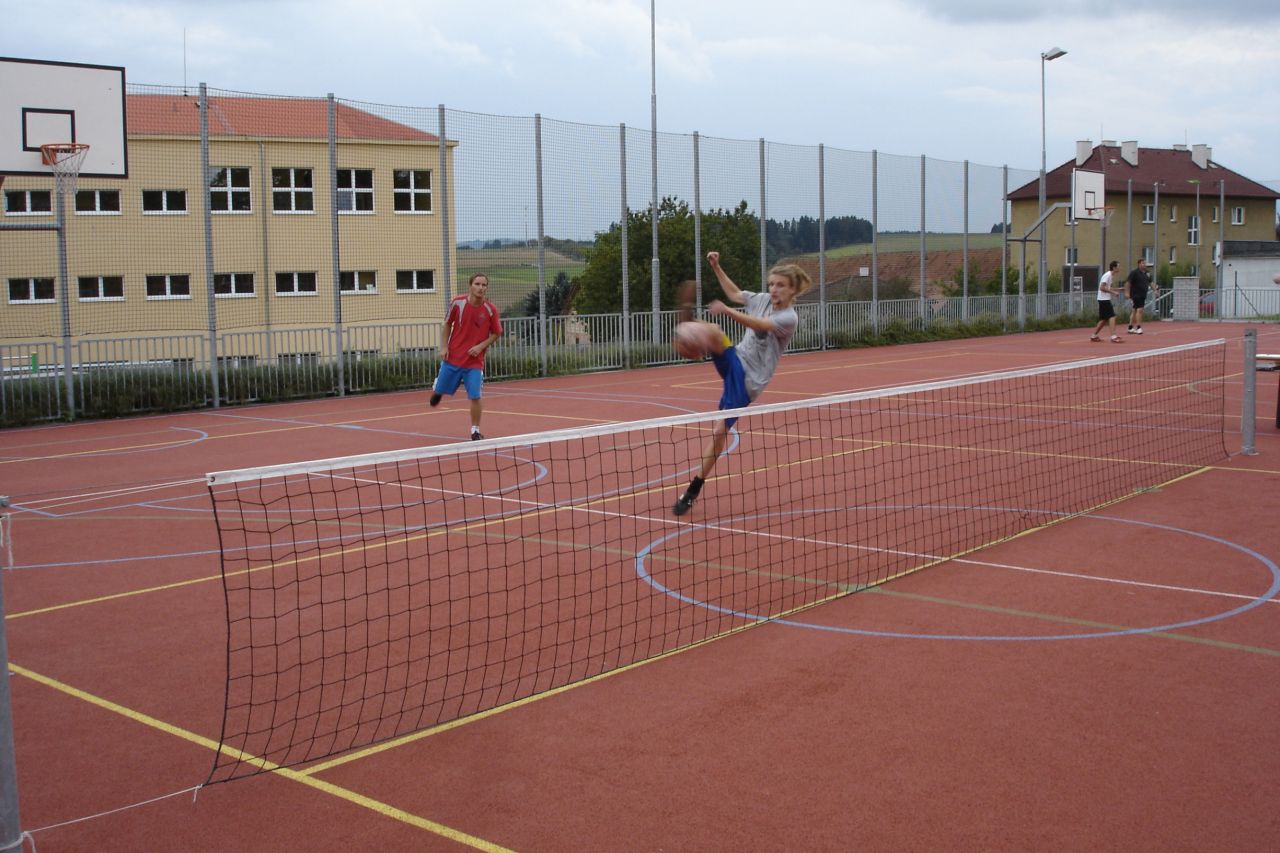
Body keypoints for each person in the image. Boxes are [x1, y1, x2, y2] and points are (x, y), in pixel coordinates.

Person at [671, 251, 812, 516]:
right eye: (771, 284)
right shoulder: (762, 299)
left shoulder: (789, 318)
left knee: (719, 432)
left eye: (780, 285)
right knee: (713, 332)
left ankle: (693, 490)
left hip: (748, 380)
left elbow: (758, 323)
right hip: (736, 357)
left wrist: (727, 311)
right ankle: (690, 331)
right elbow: (735, 293)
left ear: (792, 289)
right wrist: (717, 267)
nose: (774, 289)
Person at [429, 273, 503, 440]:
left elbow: (497, 333)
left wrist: (480, 346)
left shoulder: (490, 310)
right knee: (440, 389)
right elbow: (447, 324)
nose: (480, 288)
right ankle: (438, 389)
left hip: (474, 363)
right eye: (477, 284)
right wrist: (444, 347)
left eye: (484, 285)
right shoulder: (457, 303)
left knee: (475, 395)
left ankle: (475, 430)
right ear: (470, 285)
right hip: (453, 357)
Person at [1090, 261, 1123, 343]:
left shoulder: (1110, 276)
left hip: (1103, 299)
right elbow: (1102, 287)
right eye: (1118, 266)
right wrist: (1113, 292)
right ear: (1114, 268)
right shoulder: (1107, 275)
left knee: (1103, 319)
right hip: (1104, 299)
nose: (1120, 268)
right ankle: (1113, 336)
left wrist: (1118, 289)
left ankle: (1094, 335)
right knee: (1112, 316)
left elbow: (1108, 287)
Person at [1124, 257, 1158, 334]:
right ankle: (1139, 327)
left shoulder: (1147, 273)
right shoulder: (1134, 272)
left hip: (1143, 294)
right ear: (1139, 264)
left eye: (1145, 263)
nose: (1144, 264)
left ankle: (1130, 327)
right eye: (1143, 263)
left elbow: (1151, 283)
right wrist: (1127, 293)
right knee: (1140, 310)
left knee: (1134, 310)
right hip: (1135, 294)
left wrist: (1155, 290)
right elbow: (1128, 283)